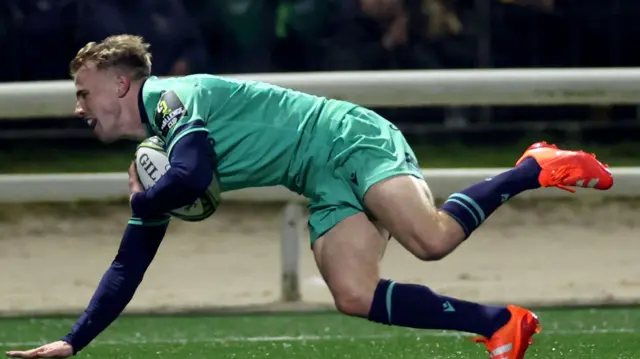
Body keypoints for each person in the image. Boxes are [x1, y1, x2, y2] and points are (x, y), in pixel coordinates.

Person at [6, 34, 613, 359]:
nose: (77, 107)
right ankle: (500, 325)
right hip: (317, 177)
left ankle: (533, 167)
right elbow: (129, 261)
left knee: (431, 241)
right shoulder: (153, 156)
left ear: (121, 83)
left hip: (346, 137)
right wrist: (75, 339)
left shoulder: (170, 97)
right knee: (352, 294)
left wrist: (146, 202)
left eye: (84, 93)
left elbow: (191, 179)